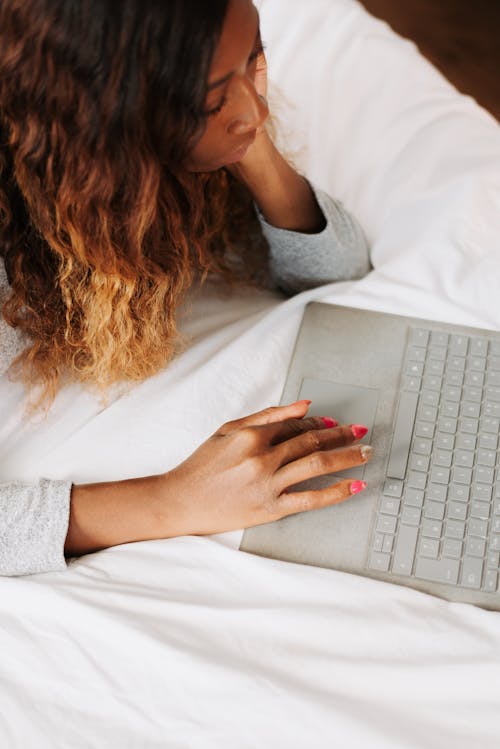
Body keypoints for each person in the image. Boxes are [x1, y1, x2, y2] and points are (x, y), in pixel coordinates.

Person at [0, 0, 372, 576]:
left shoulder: (163, 156)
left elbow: (333, 269)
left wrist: (253, 151)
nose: (257, 108)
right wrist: (173, 500)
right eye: (209, 101)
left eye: (256, 60)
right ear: (100, 124)